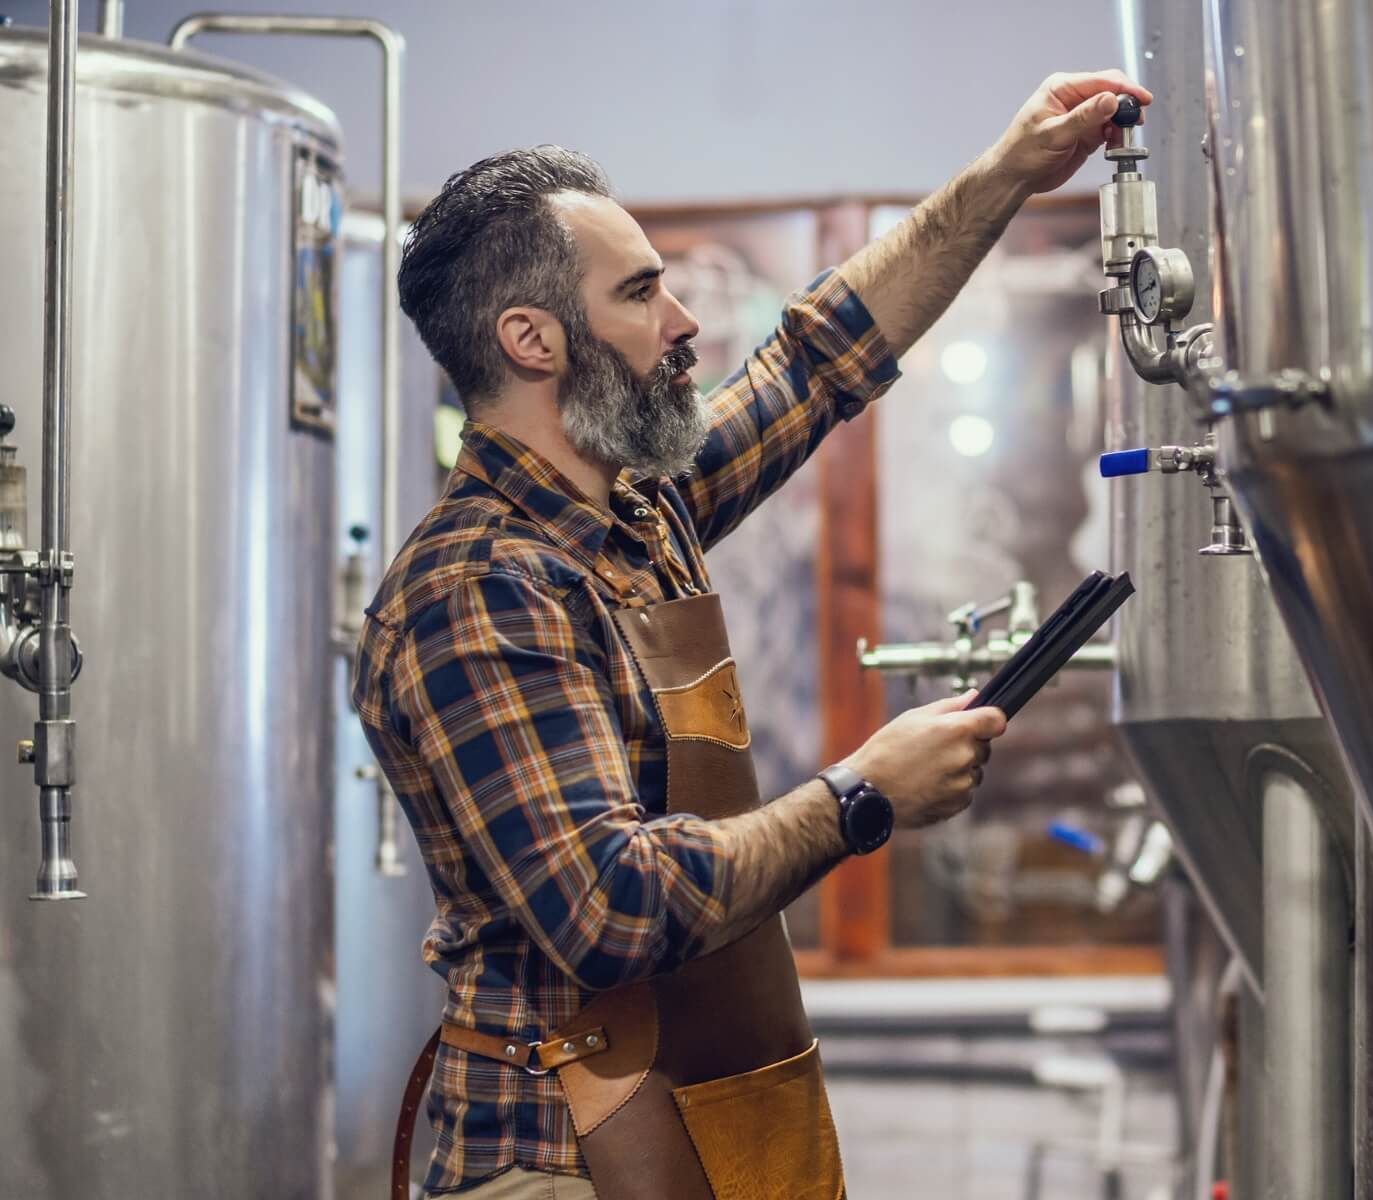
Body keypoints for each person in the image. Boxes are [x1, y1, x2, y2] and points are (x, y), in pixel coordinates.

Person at [353, 70, 1153, 1200]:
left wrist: (1010, 171)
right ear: (532, 339)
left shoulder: (635, 516)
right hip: (552, 1164)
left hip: (689, 1124)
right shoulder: (479, 590)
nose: (681, 325)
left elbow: (817, 360)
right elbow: (608, 906)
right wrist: (862, 797)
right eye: (641, 296)